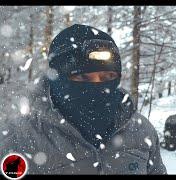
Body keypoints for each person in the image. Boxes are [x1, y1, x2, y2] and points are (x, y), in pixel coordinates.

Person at [0, 24, 167, 175]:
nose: (98, 88)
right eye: (83, 78)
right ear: (57, 80)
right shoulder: (19, 139)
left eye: (107, 77)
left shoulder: (140, 131)